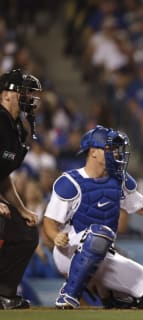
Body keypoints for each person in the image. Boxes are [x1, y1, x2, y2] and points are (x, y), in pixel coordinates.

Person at [42, 125, 143, 309]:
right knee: (100, 235)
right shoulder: (69, 182)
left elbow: (140, 206)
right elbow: (49, 221)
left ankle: (112, 296)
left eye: (116, 148)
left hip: (103, 252)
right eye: (109, 148)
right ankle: (69, 295)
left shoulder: (119, 179)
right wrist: (55, 236)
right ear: (93, 152)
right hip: (68, 251)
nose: (116, 153)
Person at [0, 69, 42, 309]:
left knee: (26, 232)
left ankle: (4, 292)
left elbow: (3, 178)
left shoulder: (15, 126)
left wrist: (21, 208)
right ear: (6, 94)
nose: (28, 97)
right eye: (23, 91)